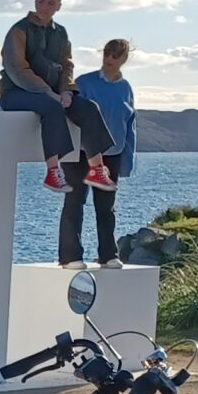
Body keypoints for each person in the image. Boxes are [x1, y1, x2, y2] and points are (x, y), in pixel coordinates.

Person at [0, 0, 119, 194]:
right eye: (40, 1)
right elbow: (16, 68)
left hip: (52, 93)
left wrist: (66, 91)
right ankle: (53, 171)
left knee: (89, 107)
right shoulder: (19, 30)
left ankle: (96, 169)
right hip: (16, 93)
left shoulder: (60, 33)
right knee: (52, 106)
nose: (44, 7)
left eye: (50, 3)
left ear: (58, 7)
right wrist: (48, 92)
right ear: (35, 3)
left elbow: (67, 65)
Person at [63, 38, 137, 268]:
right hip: (82, 154)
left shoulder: (126, 89)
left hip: (113, 154)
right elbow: (71, 116)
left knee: (106, 207)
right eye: (107, 52)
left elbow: (130, 125)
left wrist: (127, 162)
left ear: (125, 58)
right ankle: (70, 256)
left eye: (116, 54)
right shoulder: (83, 83)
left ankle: (108, 255)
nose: (110, 58)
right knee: (74, 202)